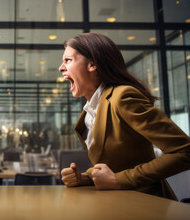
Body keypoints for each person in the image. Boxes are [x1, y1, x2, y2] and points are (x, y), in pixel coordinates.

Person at [59, 32, 190, 200]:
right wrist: (87, 177)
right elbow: (117, 163)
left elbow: (185, 151)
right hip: (117, 204)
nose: (61, 68)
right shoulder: (91, 110)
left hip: (148, 205)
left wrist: (118, 180)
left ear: (92, 64)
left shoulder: (123, 97)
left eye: (68, 60)